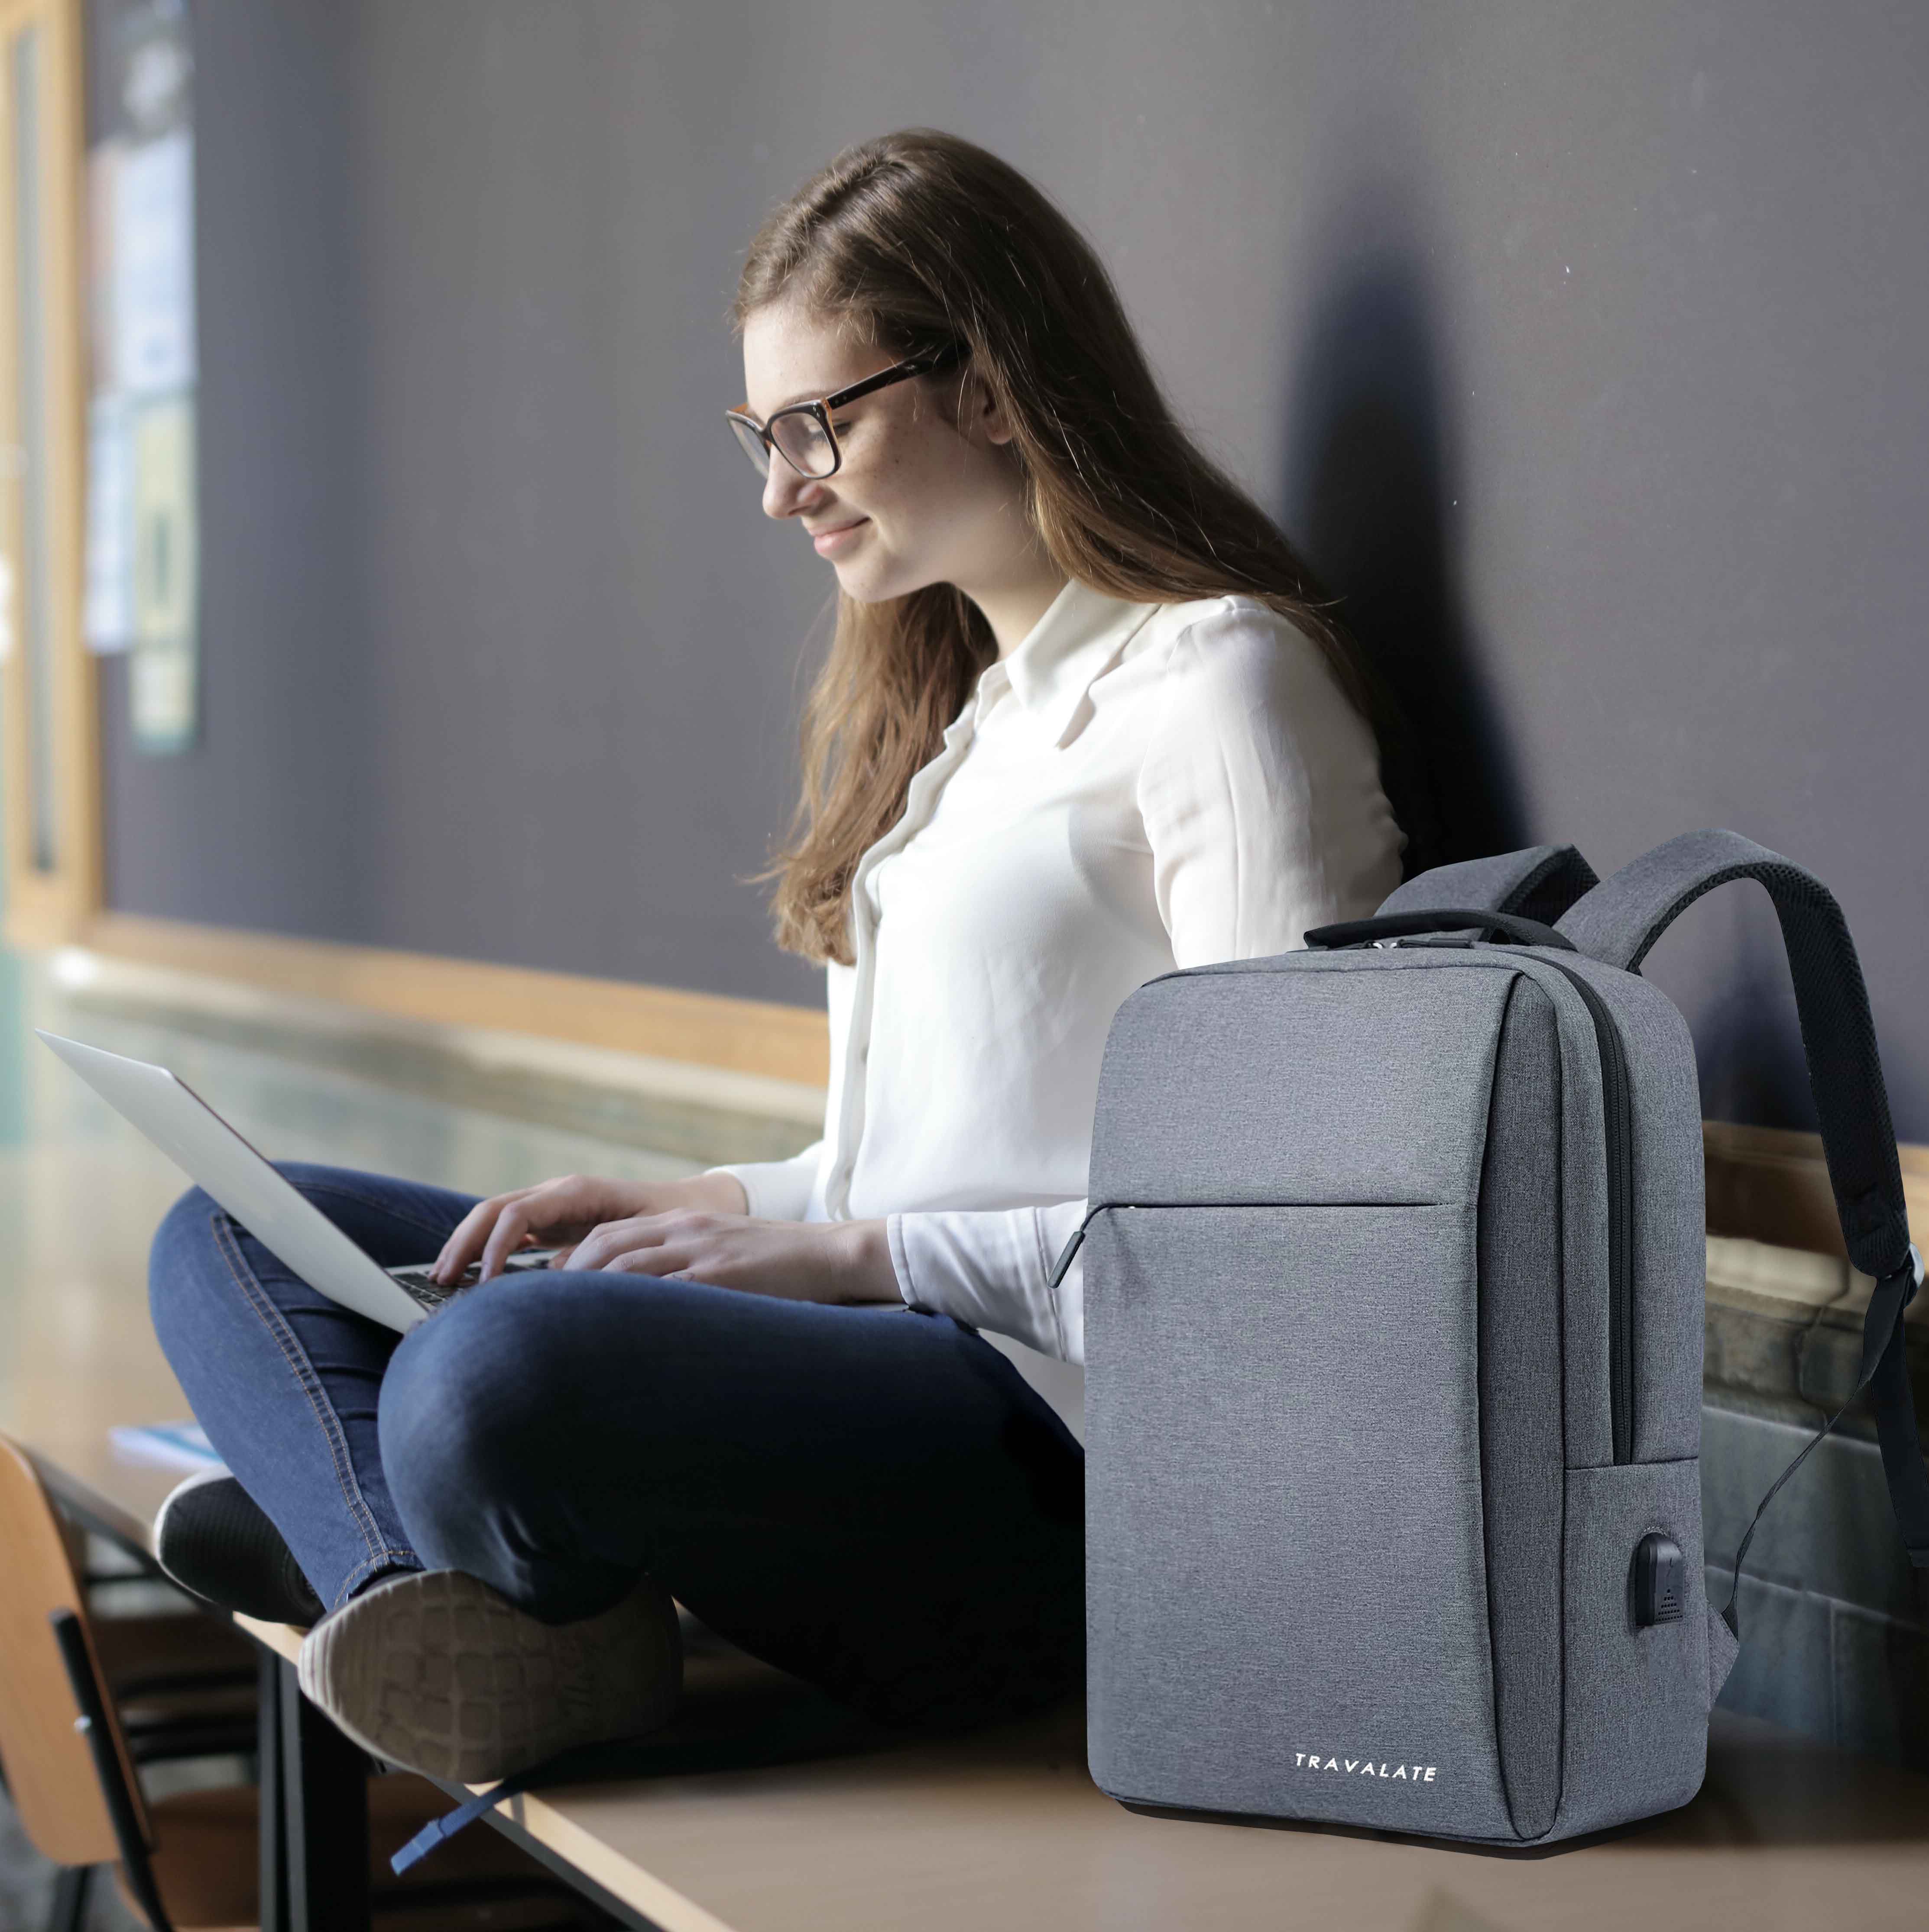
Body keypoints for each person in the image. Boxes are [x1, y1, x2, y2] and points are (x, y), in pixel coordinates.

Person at [148, 128, 1404, 1785]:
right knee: (224, 1229)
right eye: (762, 431)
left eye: (818, 423)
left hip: (1076, 1472)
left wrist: (853, 1261)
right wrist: (716, 1206)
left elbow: (1285, 1256)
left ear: (996, 385)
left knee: (492, 1368)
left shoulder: (1218, 693)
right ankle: (431, 1597)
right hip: (898, 1357)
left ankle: (409, 1537)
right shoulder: (971, 724)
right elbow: (908, 1165)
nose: (777, 485)